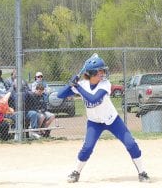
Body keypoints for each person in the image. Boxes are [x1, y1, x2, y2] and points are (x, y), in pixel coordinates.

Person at [57, 54, 150, 183]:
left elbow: (93, 98)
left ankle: (142, 172)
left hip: (112, 120)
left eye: (102, 70)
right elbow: (60, 95)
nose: (103, 73)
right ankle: (76, 172)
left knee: (131, 143)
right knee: (87, 147)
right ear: (91, 73)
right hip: (94, 123)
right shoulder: (83, 84)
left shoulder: (105, 84)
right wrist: (70, 84)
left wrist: (77, 87)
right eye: (99, 71)